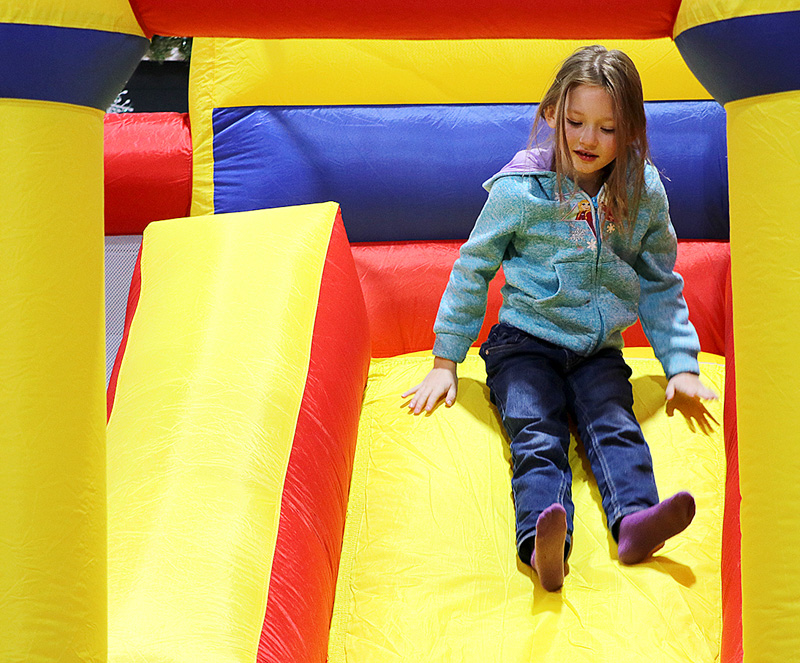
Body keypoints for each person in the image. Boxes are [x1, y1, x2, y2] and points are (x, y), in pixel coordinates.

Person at [401, 45, 718, 592]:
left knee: (615, 426)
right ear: (551, 113)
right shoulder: (521, 189)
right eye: (575, 122)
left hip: (596, 350)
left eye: (607, 128)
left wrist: (681, 364)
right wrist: (445, 361)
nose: (587, 140)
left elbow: (661, 282)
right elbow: (473, 269)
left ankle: (636, 522)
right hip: (523, 344)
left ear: (631, 130)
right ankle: (544, 539)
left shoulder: (642, 193)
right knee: (535, 429)